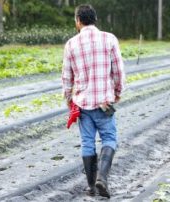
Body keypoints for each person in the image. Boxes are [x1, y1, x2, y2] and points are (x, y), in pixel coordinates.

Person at [62, 4, 125, 198]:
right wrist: (117, 91)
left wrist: (68, 99)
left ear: (78, 21)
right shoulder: (109, 39)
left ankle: (91, 187)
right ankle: (102, 179)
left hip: (83, 103)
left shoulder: (71, 44)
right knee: (109, 139)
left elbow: (67, 77)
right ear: (95, 20)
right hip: (104, 101)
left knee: (87, 142)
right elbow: (118, 71)